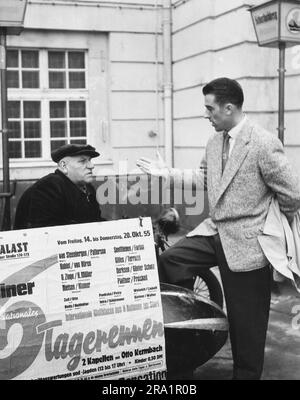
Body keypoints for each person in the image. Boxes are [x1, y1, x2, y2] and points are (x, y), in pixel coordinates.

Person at [136, 77, 300, 380]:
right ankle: (185, 331)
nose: (206, 115)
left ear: (228, 107)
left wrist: (268, 227)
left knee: (246, 326)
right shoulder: (215, 141)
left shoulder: (263, 143)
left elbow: (292, 195)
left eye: (210, 109)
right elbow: (204, 179)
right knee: (170, 261)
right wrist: (165, 173)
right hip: (215, 232)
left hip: (250, 245)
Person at [14, 143, 105, 229]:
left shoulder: (88, 188)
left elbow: (95, 222)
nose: (91, 166)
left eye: (90, 160)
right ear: (63, 166)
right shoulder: (48, 187)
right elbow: (45, 232)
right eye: (82, 161)